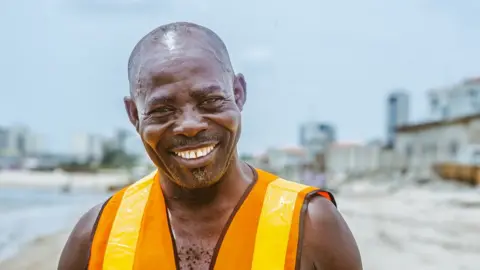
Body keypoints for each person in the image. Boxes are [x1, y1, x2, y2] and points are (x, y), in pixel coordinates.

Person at [58, 22, 362, 270]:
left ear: (238, 94)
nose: (190, 125)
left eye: (210, 101)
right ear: (134, 115)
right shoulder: (96, 237)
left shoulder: (311, 225)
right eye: (162, 109)